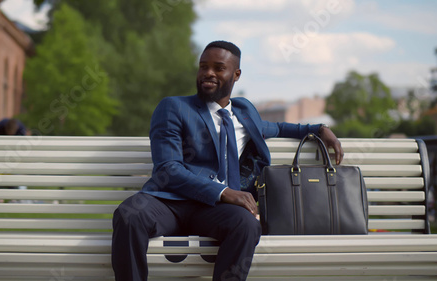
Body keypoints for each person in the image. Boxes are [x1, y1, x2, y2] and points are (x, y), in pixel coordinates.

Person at [112, 40, 344, 281]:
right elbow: (168, 170)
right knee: (130, 214)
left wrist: (319, 128)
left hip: (214, 212)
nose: (208, 73)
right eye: (203, 66)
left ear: (236, 74)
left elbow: (276, 127)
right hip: (170, 203)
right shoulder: (174, 108)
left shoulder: (244, 112)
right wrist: (224, 192)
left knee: (246, 225)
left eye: (218, 68)